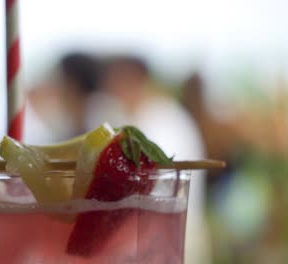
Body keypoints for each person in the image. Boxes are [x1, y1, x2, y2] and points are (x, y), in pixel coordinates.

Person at [85, 55, 211, 264]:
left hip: (174, 233)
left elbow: (156, 182)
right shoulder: (127, 116)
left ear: (137, 80)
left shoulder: (168, 122)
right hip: (144, 239)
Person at [24, 52, 102, 144]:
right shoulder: (73, 128)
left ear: (73, 86)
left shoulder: (93, 135)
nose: (55, 87)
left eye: (60, 80)